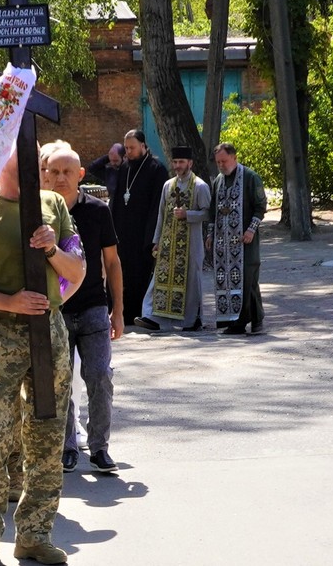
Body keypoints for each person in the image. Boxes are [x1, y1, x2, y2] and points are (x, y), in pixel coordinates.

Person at [0, 148, 86, 566]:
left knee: (47, 434)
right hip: (2, 336)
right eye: (20, 155)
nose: (33, 164)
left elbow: (76, 271)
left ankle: (34, 534)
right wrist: (10, 302)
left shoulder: (55, 205)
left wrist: (50, 250)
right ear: (2, 161)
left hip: (51, 335)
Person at [43, 147, 124, 475]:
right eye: (54, 172)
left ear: (79, 175)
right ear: (46, 174)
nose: (60, 178)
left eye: (67, 172)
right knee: (61, 381)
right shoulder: (41, 213)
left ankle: (100, 447)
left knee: (100, 375)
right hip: (56, 310)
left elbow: (112, 262)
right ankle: (67, 447)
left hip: (93, 307)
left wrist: (119, 311)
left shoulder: (97, 211)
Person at [136, 146, 211, 331]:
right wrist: (156, 240)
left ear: (190, 163)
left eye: (181, 162)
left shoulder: (200, 186)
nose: (177, 166)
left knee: (191, 283)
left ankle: (192, 321)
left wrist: (188, 214)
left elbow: (208, 213)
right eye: (175, 162)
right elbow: (161, 215)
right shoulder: (168, 185)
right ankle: (151, 317)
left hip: (191, 244)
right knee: (159, 281)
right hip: (168, 243)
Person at [206, 142, 267, 334]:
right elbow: (213, 210)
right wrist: (210, 235)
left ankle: (257, 320)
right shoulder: (218, 181)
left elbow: (260, 206)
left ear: (234, 157)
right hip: (223, 244)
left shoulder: (250, 177)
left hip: (245, 241)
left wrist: (251, 230)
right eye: (218, 162)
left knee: (248, 280)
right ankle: (234, 323)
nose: (221, 165)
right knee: (228, 281)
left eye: (224, 161)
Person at [110, 130, 168, 326]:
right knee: (122, 274)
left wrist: (152, 237)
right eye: (126, 148)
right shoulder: (125, 168)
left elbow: (157, 207)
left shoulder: (156, 169)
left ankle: (139, 313)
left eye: (132, 148)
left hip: (143, 233)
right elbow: (117, 200)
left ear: (143, 146)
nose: (128, 152)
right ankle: (121, 313)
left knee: (139, 276)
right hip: (123, 233)